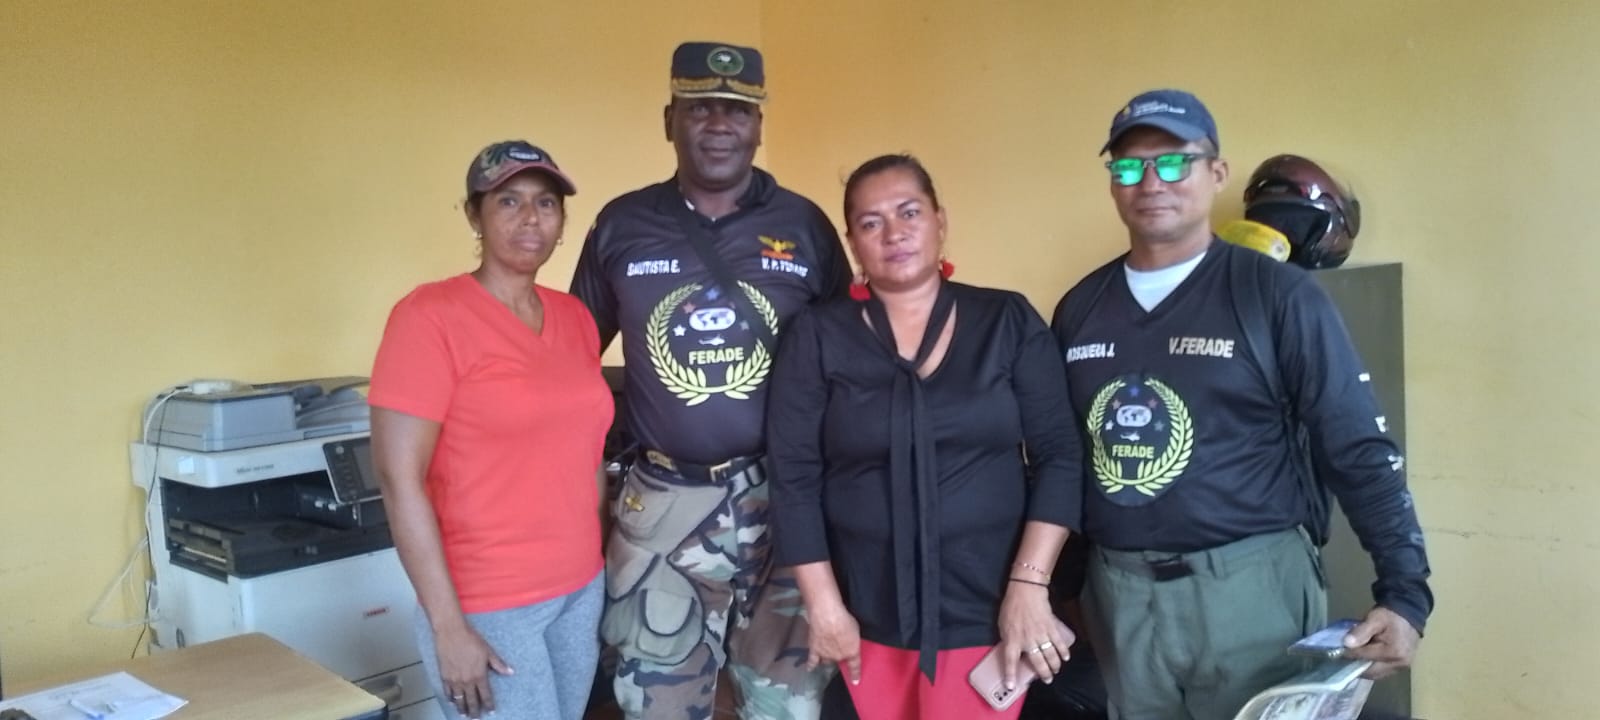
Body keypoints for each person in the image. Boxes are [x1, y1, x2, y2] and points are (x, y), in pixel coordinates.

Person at [1049, 89, 1433, 719]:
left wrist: (1405, 593)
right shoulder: (1079, 309)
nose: (1151, 181)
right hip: (1120, 599)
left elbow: (1357, 447)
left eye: (1175, 161)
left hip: (1251, 595)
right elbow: (1065, 459)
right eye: (1130, 166)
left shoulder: (1277, 295)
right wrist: (1055, 591)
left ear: (1217, 172)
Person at [569, 41, 850, 720]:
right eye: (699, 108)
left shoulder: (804, 225)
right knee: (658, 702)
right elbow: (570, 358)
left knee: (788, 707)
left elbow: (850, 359)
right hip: (664, 504)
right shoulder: (622, 224)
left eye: (737, 109)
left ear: (759, 125)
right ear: (669, 120)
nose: (719, 123)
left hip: (787, 503)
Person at [766, 154, 1083, 720]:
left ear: (940, 220)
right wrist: (825, 606)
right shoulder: (817, 335)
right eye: (871, 222)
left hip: (991, 604)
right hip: (864, 610)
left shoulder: (1006, 320)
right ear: (852, 243)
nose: (894, 232)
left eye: (909, 212)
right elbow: (794, 477)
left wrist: (1029, 587)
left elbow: (1059, 454)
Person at [369, 140, 612, 720]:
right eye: (508, 201)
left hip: (580, 587)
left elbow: (586, 453)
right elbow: (399, 480)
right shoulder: (429, 317)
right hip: (489, 602)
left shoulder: (575, 317)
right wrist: (447, 627)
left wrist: (597, 560)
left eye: (546, 203)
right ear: (473, 215)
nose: (530, 218)